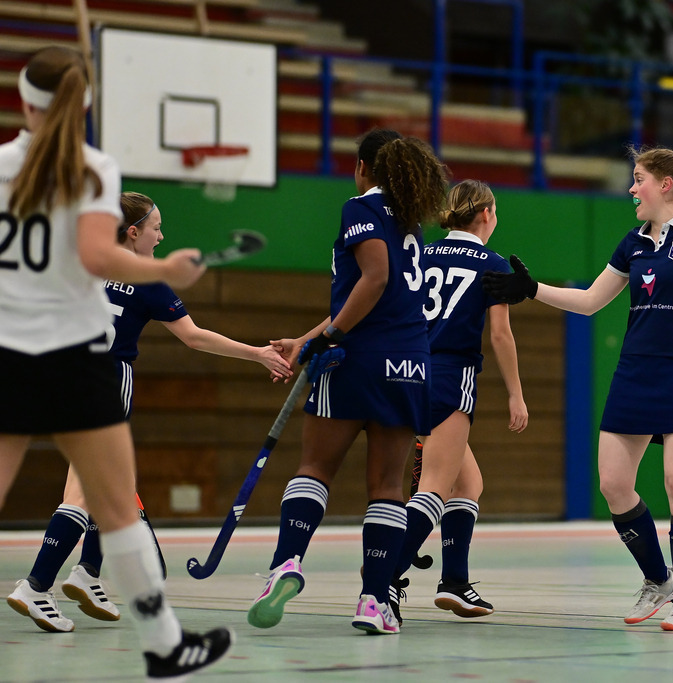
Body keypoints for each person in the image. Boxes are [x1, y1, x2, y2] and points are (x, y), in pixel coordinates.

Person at [0, 46, 232, 679]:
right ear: (86, 105)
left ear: (24, 103)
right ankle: (162, 644)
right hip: (76, 358)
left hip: (7, 348)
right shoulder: (95, 169)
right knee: (116, 505)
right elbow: (99, 259)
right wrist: (165, 269)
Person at [483, 142, 673, 632]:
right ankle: (658, 579)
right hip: (634, 373)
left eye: (638, 179)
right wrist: (532, 290)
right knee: (612, 483)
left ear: (665, 185)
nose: (632, 188)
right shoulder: (632, 242)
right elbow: (589, 301)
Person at [6, 190, 292, 634]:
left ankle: (86, 574)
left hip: (60, 375)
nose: (162, 236)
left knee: (116, 487)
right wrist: (257, 354)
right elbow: (195, 338)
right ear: (134, 232)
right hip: (105, 378)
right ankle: (36, 586)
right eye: (156, 228)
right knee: (85, 492)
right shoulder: (146, 279)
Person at [246, 128, 450, 635]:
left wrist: (329, 336)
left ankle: (286, 564)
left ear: (363, 167)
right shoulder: (409, 221)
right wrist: (306, 338)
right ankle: (373, 599)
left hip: (354, 359)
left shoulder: (360, 207)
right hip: (409, 364)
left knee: (315, 469)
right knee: (386, 489)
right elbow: (375, 294)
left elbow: (373, 281)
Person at [390, 179, 529, 623]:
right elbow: (502, 334)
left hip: (405, 372)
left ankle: (454, 582)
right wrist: (516, 394)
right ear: (486, 214)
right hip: (450, 376)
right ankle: (382, 578)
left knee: (468, 485)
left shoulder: (422, 254)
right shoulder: (491, 264)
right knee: (434, 485)